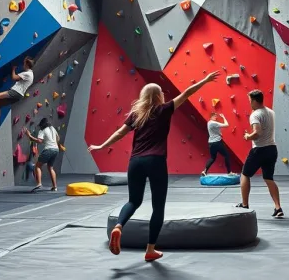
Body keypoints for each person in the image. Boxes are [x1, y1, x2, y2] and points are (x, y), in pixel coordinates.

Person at [88, 72, 219, 262]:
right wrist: (205, 80)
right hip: (156, 161)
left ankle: (119, 226)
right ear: (159, 96)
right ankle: (150, 249)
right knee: (158, 206)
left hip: (135, 162)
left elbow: (119, 133)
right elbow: (187, 92)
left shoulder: (135, 115)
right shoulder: (164, 109)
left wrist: (101, 146)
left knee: (134, 201)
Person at [236, 90, 282, 218]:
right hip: (272, 149)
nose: (249, 103)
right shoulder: (271, 112)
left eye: (250, 100)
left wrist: (247, 136)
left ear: (255, 101)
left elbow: (257, 132)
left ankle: (245, 205)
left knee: (245, 174)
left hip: (260, 149)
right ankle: (278, 208)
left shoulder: (255, 115)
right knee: (268, 178)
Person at [27, 118, 60, 192]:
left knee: (37, 166)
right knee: (50, 167)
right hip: (56, 149)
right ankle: (55, 187)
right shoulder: (52, 128)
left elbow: (39, 141)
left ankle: (39, 183)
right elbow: (58, 138)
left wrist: (29, 136)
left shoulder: (42, 130)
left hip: (49, 149)